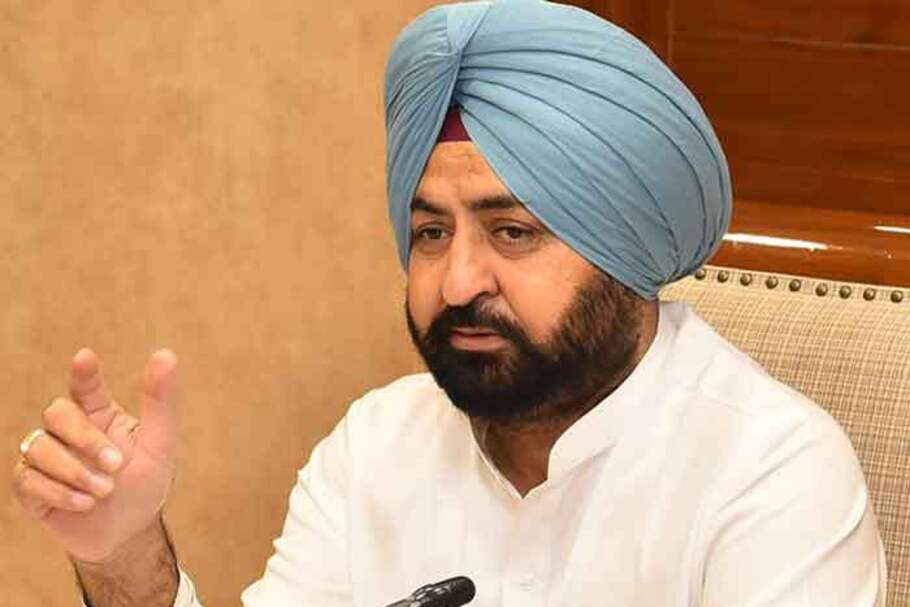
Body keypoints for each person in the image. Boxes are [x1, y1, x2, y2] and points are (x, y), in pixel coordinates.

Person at [12, 1, 887, 606]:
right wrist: (122, 552)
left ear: (625, 249)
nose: (459, 281)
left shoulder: (769, 471)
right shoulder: (375, 444)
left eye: (512, 232)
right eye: (431, 232)